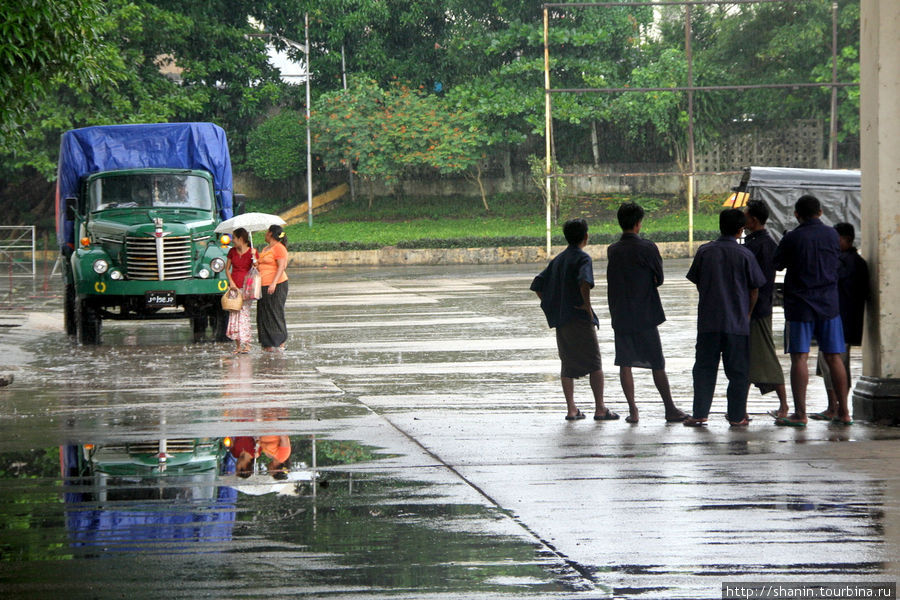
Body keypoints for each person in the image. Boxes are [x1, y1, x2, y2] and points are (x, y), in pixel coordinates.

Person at [684, 209, 766, 427]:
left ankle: (700, 413)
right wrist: (747, 314)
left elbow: (697, 280)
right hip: (737, 324)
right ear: (741, 230)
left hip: (709, 322)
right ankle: (737, 416)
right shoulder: (746, 254)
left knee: (703, 369)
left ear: (719, 226)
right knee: (738, 372)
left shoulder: (705, 251)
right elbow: (754, 289)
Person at [530, 218, 618, 422]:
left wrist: (552, 305)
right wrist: (587, 306)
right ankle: (600, 408)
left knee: (567, 363)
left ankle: (571, 409)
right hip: (579, 317)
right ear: (585, 237)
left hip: (562, 319)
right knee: (594, 363)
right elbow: (585, 282)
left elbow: (537, 284)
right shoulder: (583, 259)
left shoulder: (558, 260)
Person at [606, 203, 686, 423]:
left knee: (625, 363)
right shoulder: (648, 248)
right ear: (638, 224)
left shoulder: (613, 250)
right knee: (657, 362)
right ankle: (670, 408)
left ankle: (633, 411)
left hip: (621, 314)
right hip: (645, 314)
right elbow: (658, 279)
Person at [774, 195, 849, 426]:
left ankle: (800, 414)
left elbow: (777, 264)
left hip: (800, 305)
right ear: (820, 211)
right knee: (834, 357)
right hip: (828, 304)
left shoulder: (792, 238)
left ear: (797, 214)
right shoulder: (831, 235)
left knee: (799, 357)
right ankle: (844, 413)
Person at [811, 222, 869, 422]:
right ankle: (836, 407)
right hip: (846, 321)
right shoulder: (857, 262)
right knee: (835, 364)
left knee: (833, 365)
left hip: (837, 321)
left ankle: (836, 408)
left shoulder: (843, 263)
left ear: (846, 240)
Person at [742, 201, 789, 419]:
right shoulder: (760, 243)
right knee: (753, 357)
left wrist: (750, 309)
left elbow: (756, 282)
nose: (744, 220)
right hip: (759, 307)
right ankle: (741, 408)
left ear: (754, 220)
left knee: (763, 356)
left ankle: (784, 406)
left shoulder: (759, 245)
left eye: (746, 216)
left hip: (756, 309)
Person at [225, 227, 257, 354]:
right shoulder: (232, 252)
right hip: (234, 286)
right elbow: (227, 269)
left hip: (247, 287)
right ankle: (238, 345)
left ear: (241, 239)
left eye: (234, 238)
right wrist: (231, 283)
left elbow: (256, 268)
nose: (232, 240)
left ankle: (247, 343)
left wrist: (255, 259)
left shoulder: (252, 252)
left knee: (244, 314)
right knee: (234, 315)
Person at [257, 224, 289, 352]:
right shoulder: (265, 249)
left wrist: (274, 283)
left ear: (270, 233)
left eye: (266, 232)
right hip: (263, 285)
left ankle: (279, 340)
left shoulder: (279, 248)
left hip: (277, 284)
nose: (265, 234)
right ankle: (267, 343)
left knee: (275, 311)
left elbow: (281, 267)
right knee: (264, 313)